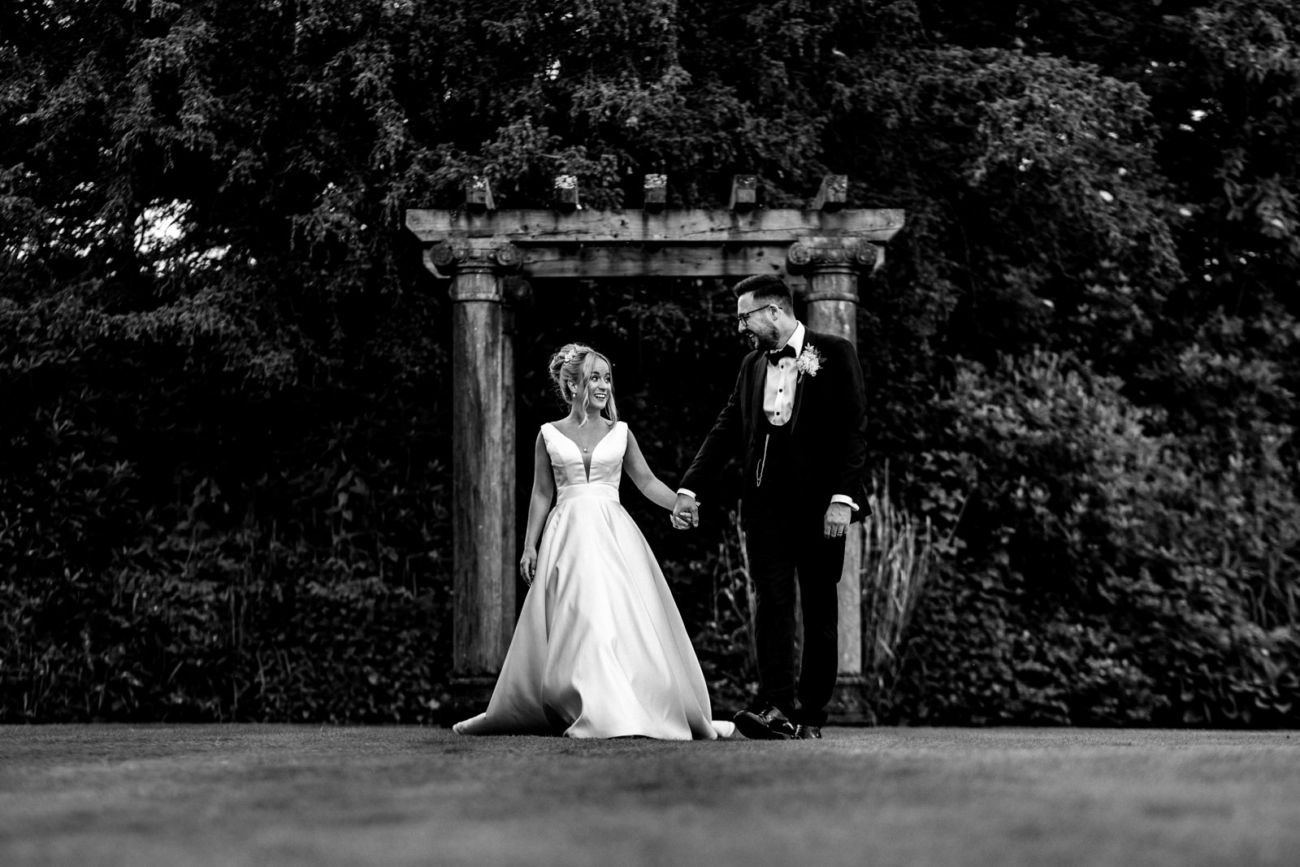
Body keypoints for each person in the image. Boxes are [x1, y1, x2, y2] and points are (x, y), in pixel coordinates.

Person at [453, 343, 735, 740]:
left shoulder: (619, 433)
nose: (603, 386)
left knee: (617, 619)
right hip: (566, 535)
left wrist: (681, 503)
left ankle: (621, 706)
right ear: (572, 386)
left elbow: (646, 481)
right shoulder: (548, 435)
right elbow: (540, 494)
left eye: (606, 378)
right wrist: (529, 545)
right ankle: (585, 704)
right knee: (580, 618)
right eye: (594, 378)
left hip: (612, 534)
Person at [673, 274, 869, 740]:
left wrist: (843, 500)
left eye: (746, 317)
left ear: (774, 312)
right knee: (771, 606)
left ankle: (811, 715)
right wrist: (689, 487)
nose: (742, 326)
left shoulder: (835, 352)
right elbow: (726, 428)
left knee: (819, 611)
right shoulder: (751, 366)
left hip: (823, 512)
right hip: (765, 511)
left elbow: (853, 430)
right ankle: (776, 708)